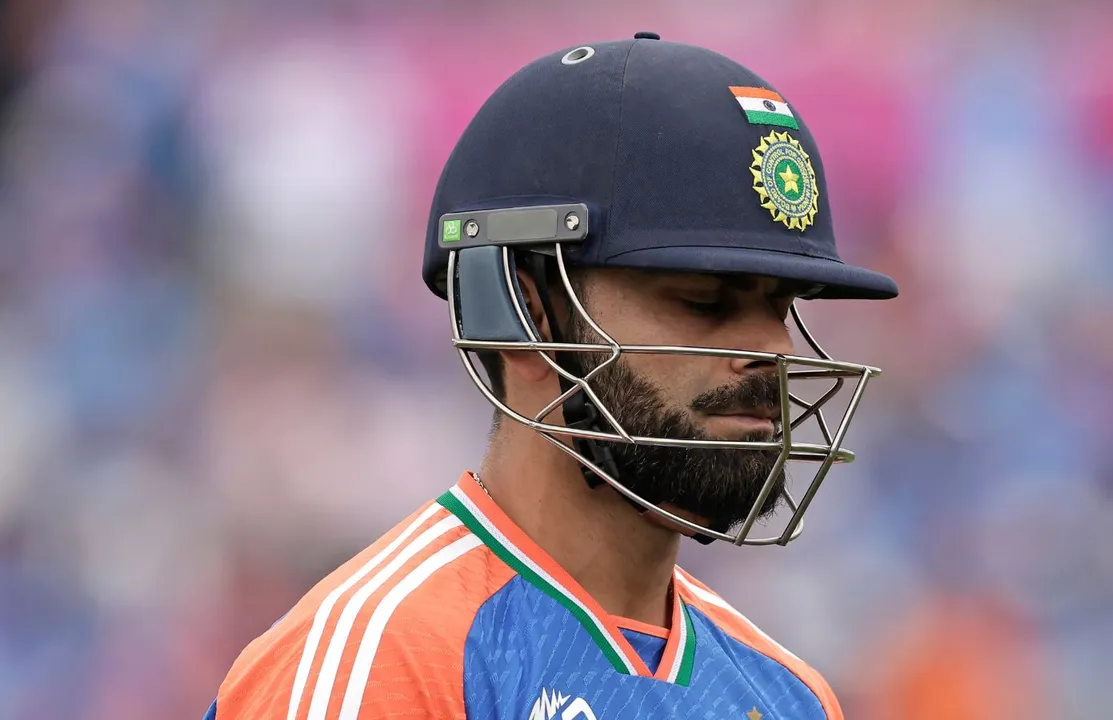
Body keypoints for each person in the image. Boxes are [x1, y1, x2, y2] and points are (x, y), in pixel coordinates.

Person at [205, 32, 897, 720]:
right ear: (528, 317)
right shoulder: (385, 659)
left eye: (780, 307)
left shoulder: (788, 696)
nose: (772, 351)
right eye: (704, 302)